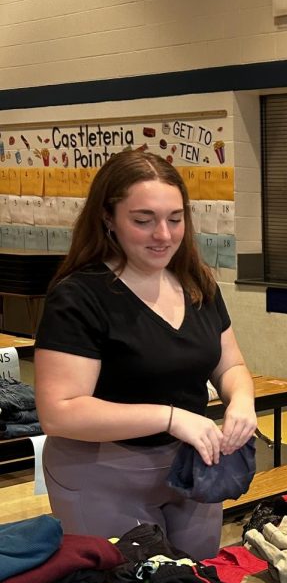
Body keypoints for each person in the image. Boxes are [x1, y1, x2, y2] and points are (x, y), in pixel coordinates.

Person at [34, 149, 256, 561]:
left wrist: (241, 401)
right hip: (103, 471)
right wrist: (171, 417)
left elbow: (231, 365)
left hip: (193, 467)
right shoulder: (80, 297)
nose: (164, 235)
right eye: (143, 221)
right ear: (108, 219)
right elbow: (59, 412)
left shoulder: (196, 283)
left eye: (175, 219)